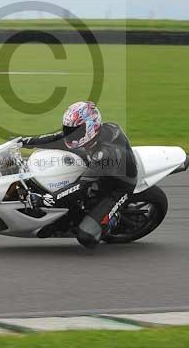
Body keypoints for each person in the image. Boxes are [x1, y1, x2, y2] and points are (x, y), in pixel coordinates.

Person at [20, 101, 137, 248]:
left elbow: (81, 186)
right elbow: (57, 139)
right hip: (101, 169)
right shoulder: (94, 135)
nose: (70, 134)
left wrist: (46, 199)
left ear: (90, 127)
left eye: (75, 130)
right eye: (69, 129)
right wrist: (25, 141)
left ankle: (113, 218)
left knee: (86, 237)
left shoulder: (104, 153)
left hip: (118, 186)